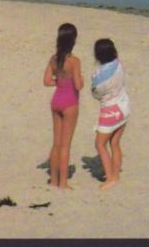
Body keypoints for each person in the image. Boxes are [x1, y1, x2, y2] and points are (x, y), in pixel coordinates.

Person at [43, 23, 83, 189]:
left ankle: (53, 179)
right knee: (66, 144)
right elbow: (78, 85)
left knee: (56, 143)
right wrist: (82, 79)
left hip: (56, 100)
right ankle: (63, 183)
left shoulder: (54, 59)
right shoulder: (74, 61)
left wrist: (59, 81)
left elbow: (46, 81)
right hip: (70, 102)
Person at [91, 38, 131, 190]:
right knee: (115, 143)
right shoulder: (118, 65)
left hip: (111, 111)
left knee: (100, 144)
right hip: (124, 107)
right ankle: (116, 175)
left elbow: (95, 93)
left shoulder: (99, 76)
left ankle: (110, 178)